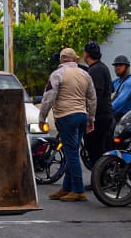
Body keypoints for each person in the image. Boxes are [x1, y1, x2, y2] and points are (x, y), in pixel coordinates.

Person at [38, 47, 96, 202]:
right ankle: (67, 187)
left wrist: (42, 118)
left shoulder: (57, 74)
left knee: (71, 154)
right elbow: (92, 98)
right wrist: (91, 118)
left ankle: (78, 190)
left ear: (61, 60)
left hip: (65, 116)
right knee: (73, 152)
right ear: (75, 59)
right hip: (82, 116)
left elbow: (48, 97)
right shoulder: (85, 74)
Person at [82, 42, 114, 170]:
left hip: (100, 116)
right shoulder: (101, 67)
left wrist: (90, 117)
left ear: (87, 54)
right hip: (103, 114)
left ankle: (100, 181)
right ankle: (100, 180)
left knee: (95, 149)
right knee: (97, 148)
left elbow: (95, 96)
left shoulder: (95, 70)